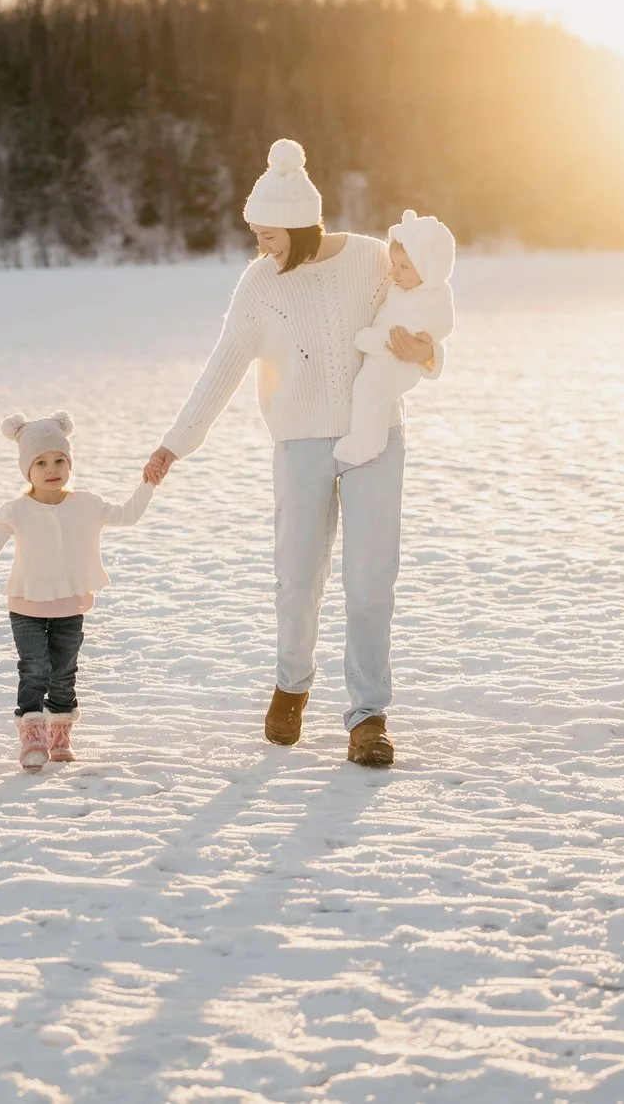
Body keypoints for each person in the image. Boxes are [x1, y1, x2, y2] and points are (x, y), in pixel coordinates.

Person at [142, 139, 444, 768]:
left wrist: (429, 355)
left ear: (303, 225)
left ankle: (368, 714)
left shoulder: (369, 260)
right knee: (299, 575)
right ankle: (292, 684)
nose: (261, 246)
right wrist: (176, 443)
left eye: (270, 234)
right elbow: (223, 366)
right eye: (256, 234)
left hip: (375, 437)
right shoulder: (260, 283)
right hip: (301, 441)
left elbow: (428, 302)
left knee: (370, 579)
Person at [0, 411, 159, 769]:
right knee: (34, 668)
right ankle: (32, 735)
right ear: (27, 470)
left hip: (69, 607)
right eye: (41, 462)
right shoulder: (16, 510)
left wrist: (148, 484)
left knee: (63, 672)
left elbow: (127, 515)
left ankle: (59, 732)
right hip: (26, 606)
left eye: (60, 460)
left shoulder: (87, 504)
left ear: (70, 464)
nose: (52, 469)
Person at [333, 209, 457, 466]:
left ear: (428, 268)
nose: (395, 273)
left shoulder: (430, 298)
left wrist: (368, 340)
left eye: (403, 267)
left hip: (398, 362)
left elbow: (400, 336)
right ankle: (368, 439)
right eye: (394, 265)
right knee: (370, 394)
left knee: (370, 390)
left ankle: (366, 442)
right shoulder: (405, 289)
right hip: (388, 359)